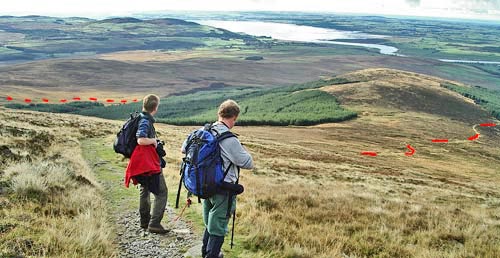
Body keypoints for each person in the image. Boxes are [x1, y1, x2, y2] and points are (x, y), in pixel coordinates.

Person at [188, 99, 254, 258]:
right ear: (234, 117)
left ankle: (206, 252)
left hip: (204, 186)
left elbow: (185, 149)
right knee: (218, 225)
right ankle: (211, 255)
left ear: (219, 114)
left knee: (210, 221)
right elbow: (248, 163)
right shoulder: (229, 139)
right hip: (223, 189)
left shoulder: (201, 132)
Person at [135, 94, 169, 234]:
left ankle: (144, 222)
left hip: (142, 163)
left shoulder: (140, 118)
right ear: (155, 108)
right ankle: (154, 224)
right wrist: (153, 141)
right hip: (149, 163)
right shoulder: (145, 121)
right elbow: (140, 139)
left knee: (145, 190)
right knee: (162, 192)